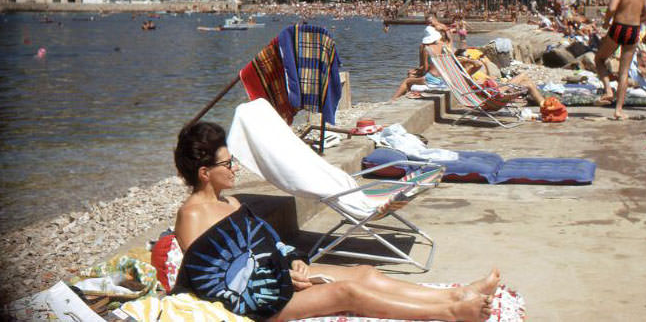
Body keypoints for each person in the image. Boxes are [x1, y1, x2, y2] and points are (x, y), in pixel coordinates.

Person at [173, 122, 498, 322]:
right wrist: (283, 280)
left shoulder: (230, 202)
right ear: (205, 173)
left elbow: (270, 244)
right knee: (347, 293)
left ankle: (456, 295)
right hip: (256, 305)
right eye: (228, 164)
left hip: (277, 277)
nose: (235, 168)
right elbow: (212, 282)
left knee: (363, 273)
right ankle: (451, 312)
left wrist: (294, 262)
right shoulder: (192, 217)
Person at [594, 0, 646, 120]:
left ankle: (608, 90)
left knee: (599, 59)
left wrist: (606, 22)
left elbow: (612, 8)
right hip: (634, 30)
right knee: (624, 71)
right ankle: (618, 110)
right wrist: (635, 20)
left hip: (619, 27)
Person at [391, 25, 448, 101]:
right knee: (413, 76)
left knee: (407, 81)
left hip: (432, 80)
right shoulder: (444, 46)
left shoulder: (427, 49)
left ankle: (393, 100)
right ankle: (407, 95)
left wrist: (416, 71)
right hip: (443, 79)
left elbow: (425, 68)